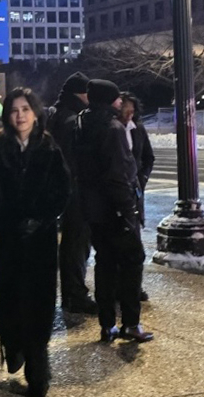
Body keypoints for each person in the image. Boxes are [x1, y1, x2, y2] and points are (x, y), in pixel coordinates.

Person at [0, 87, 70, 397]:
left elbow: (63, 191)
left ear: (35, 113)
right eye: (14, 110)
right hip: (5, 239)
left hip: (39, 242)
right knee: (7, 301)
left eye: (25, 109)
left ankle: (38, 374)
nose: (20, 116)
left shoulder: (49, 148)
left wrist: (41, 218)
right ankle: (12, 344)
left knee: (38, 306)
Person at [75, 80, 153, 343]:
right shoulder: (113, 128)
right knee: (133, 260)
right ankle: (131, 322)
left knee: (105, 264)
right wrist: (128, 209)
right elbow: (118, 174)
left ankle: (107, 324)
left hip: (94, 210)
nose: (121, 102)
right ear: (109, 99)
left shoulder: (82, 124)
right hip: (115, 209)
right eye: (117, 98)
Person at [47, 72, 97, 314]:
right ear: (81, 94)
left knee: (73, 243)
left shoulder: (58, 114)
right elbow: (71, 159)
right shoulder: (71, 120)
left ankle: (73, 293)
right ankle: (74, 294)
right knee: (76, 243)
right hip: (76, 191)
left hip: (67, 191)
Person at [119, 92, 154, 301]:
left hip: (134, 192)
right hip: (117, 194)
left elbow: (148, 157)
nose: (129, 113)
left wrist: (142, 178)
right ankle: (119, 286)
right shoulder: (112, 129)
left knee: (134, 241)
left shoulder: (137, 129)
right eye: (125, 109)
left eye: (132, 110)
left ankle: (133, 287)